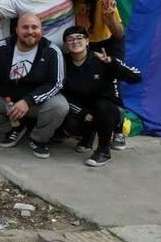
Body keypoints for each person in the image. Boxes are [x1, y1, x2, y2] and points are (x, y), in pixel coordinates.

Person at [0, 13, 69, 159]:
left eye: (35, 27)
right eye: (25, 27)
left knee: (60, 106)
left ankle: (39, 139)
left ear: (41, 30)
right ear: (16, 30)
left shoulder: (52, 51)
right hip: (6, 100)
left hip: (35, 102)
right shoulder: (0, 47)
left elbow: (57, 83)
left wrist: (28, 101)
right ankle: (14, 128)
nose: (30, 31)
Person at [60, 26, 141, 167]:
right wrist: (81, 113)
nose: (75, 42)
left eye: (79, 38)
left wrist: (111, 63)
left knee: (103, 107)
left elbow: (136, 77)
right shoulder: (62, 63)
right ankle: (88, 134)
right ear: (66, 45)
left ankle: (103, 151)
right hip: (83, 108)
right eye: (70, 39)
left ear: (87, 41)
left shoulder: (101, 58)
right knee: (70, 124)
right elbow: (61, 92)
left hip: (108, 110)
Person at [66, 0, 129, 148]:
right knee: (90, 88)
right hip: (88, 45)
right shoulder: (71, 2)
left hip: (109, 44)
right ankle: (91, 130)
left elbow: (118, 33)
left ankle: (118, 131)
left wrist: (109, 18)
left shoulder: (103, 1)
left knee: (112, 87)